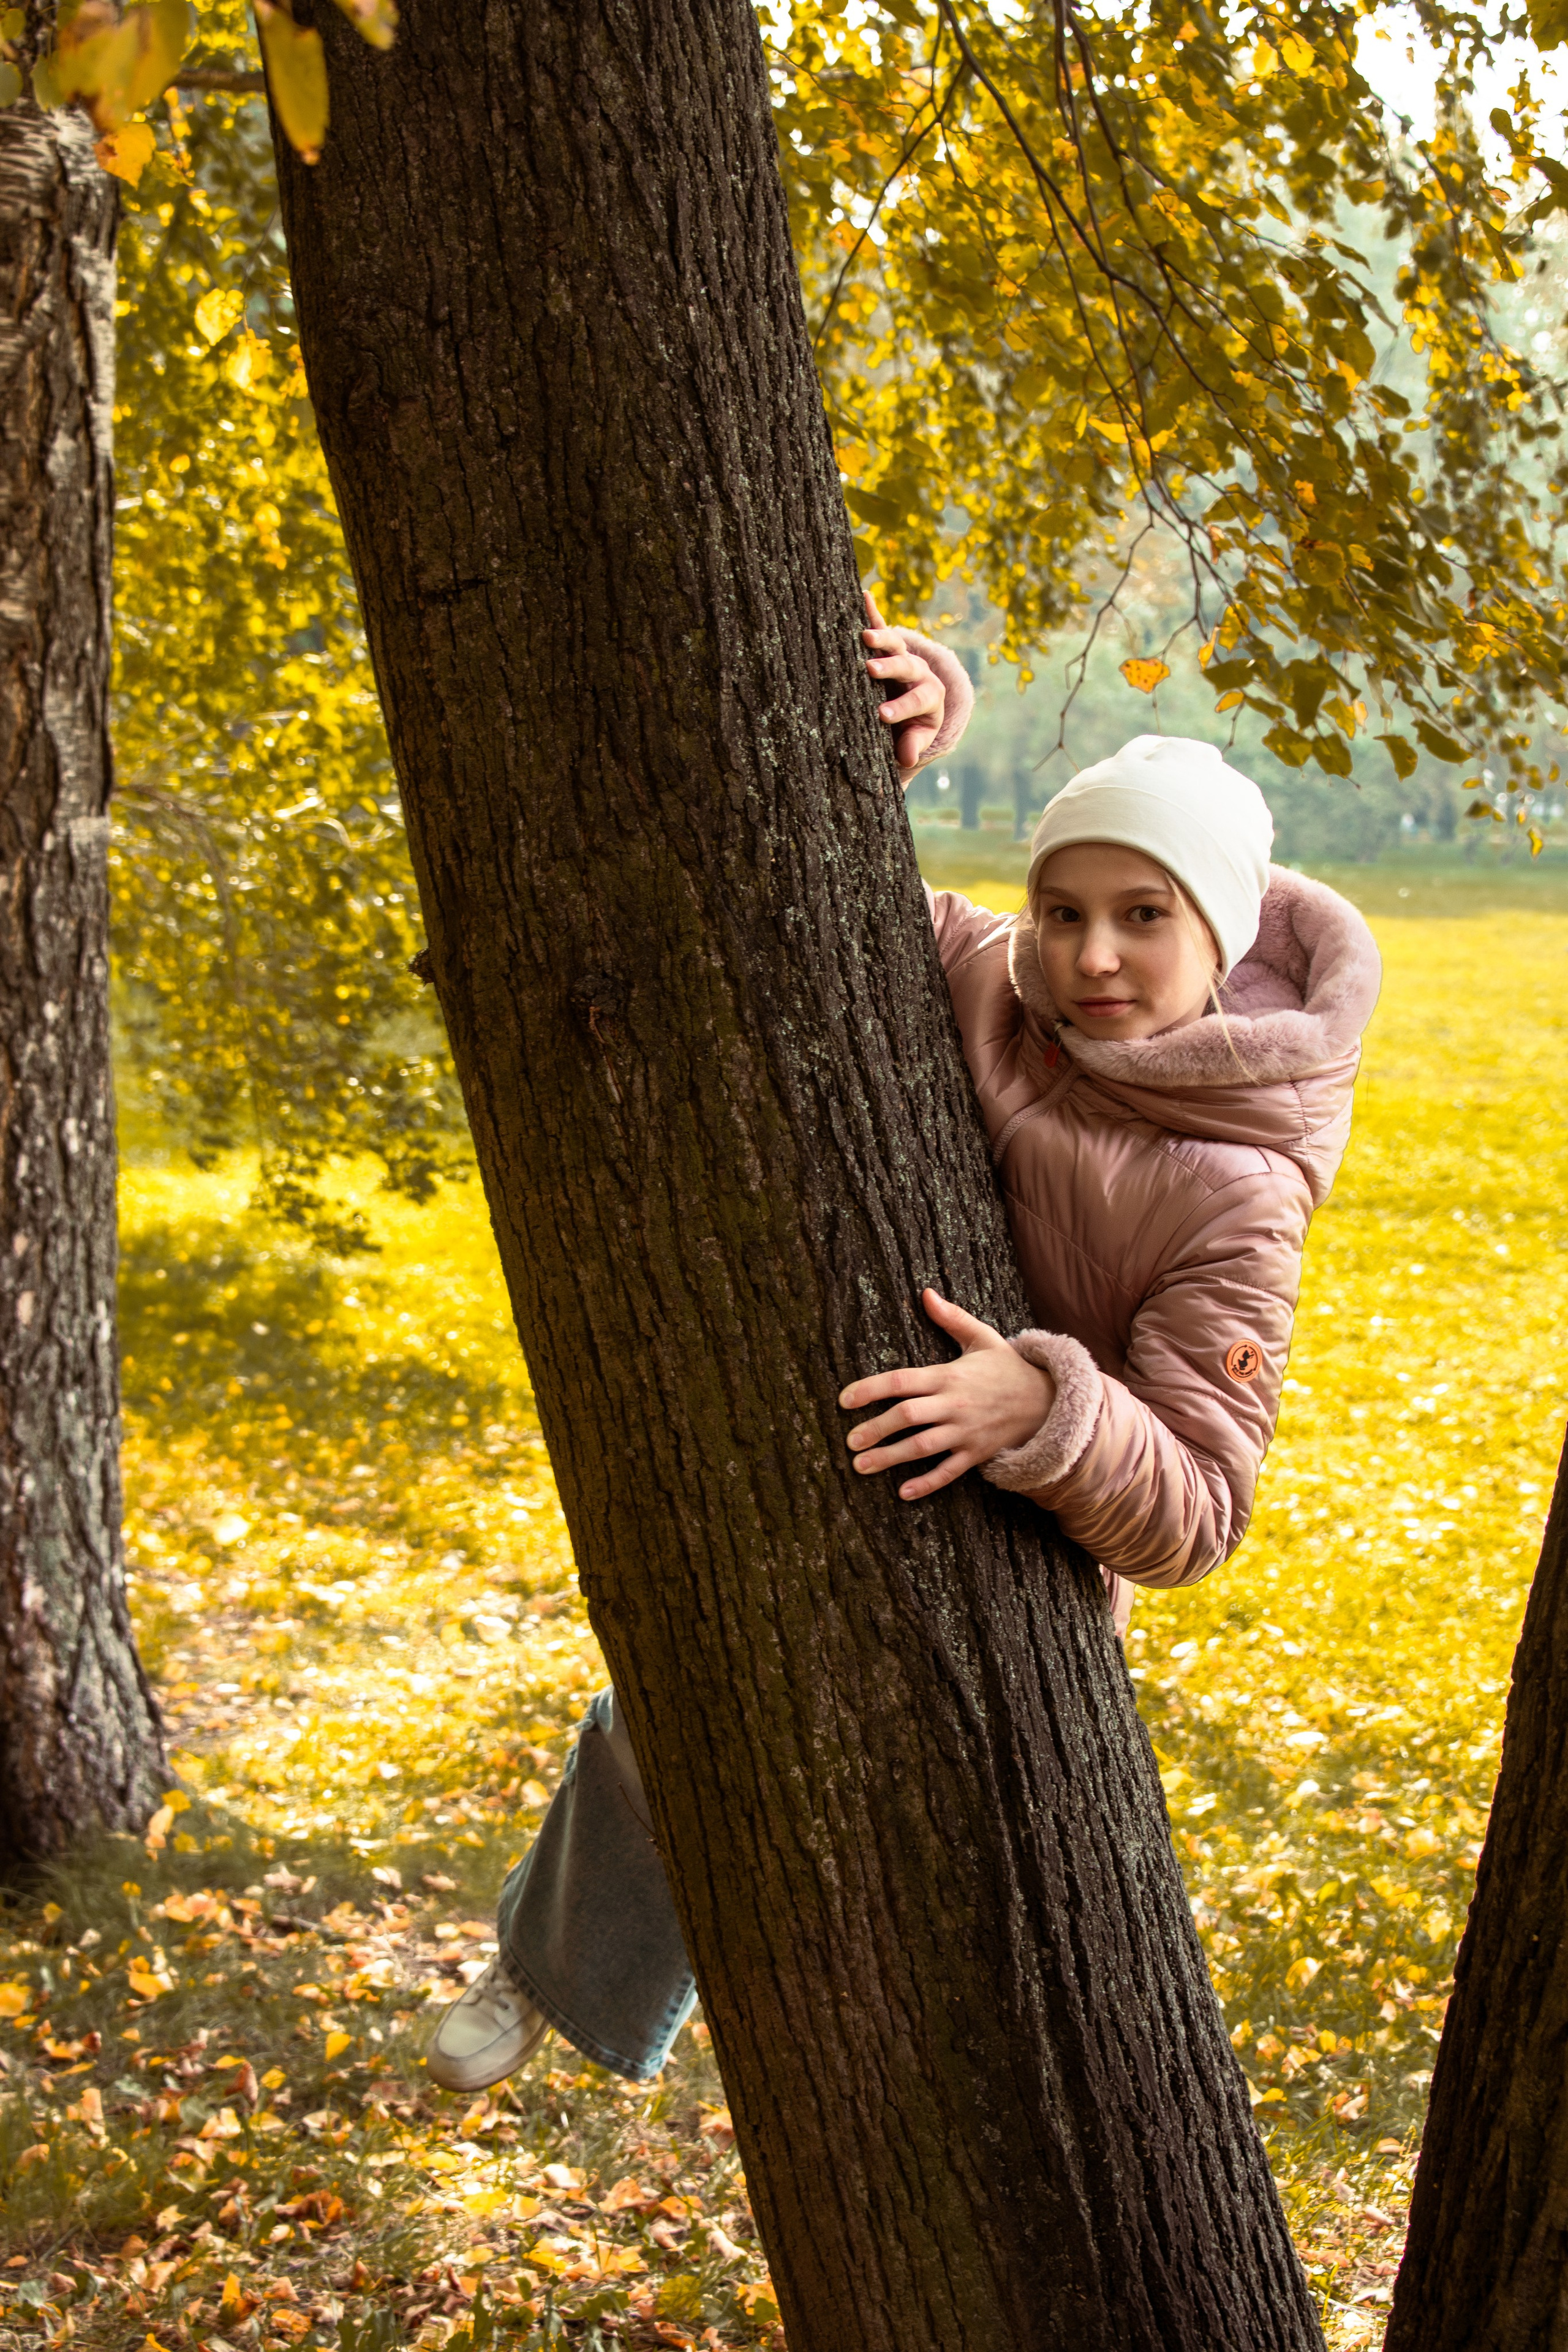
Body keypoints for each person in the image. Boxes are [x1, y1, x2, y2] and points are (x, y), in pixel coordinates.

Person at [426, 613, 1382, 2097]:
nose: (1087, 955)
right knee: (685, 1694)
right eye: (1060, 910)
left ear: (1225, 935)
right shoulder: (1000, 991)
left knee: (873, 1811)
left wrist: (1047, 1404)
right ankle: (554, 1969)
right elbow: (848, 890)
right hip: (860, 1430)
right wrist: (898, 727)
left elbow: (1201, 1508)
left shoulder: (1238, 1189)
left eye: (1142, 917)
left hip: (1027, 1545)